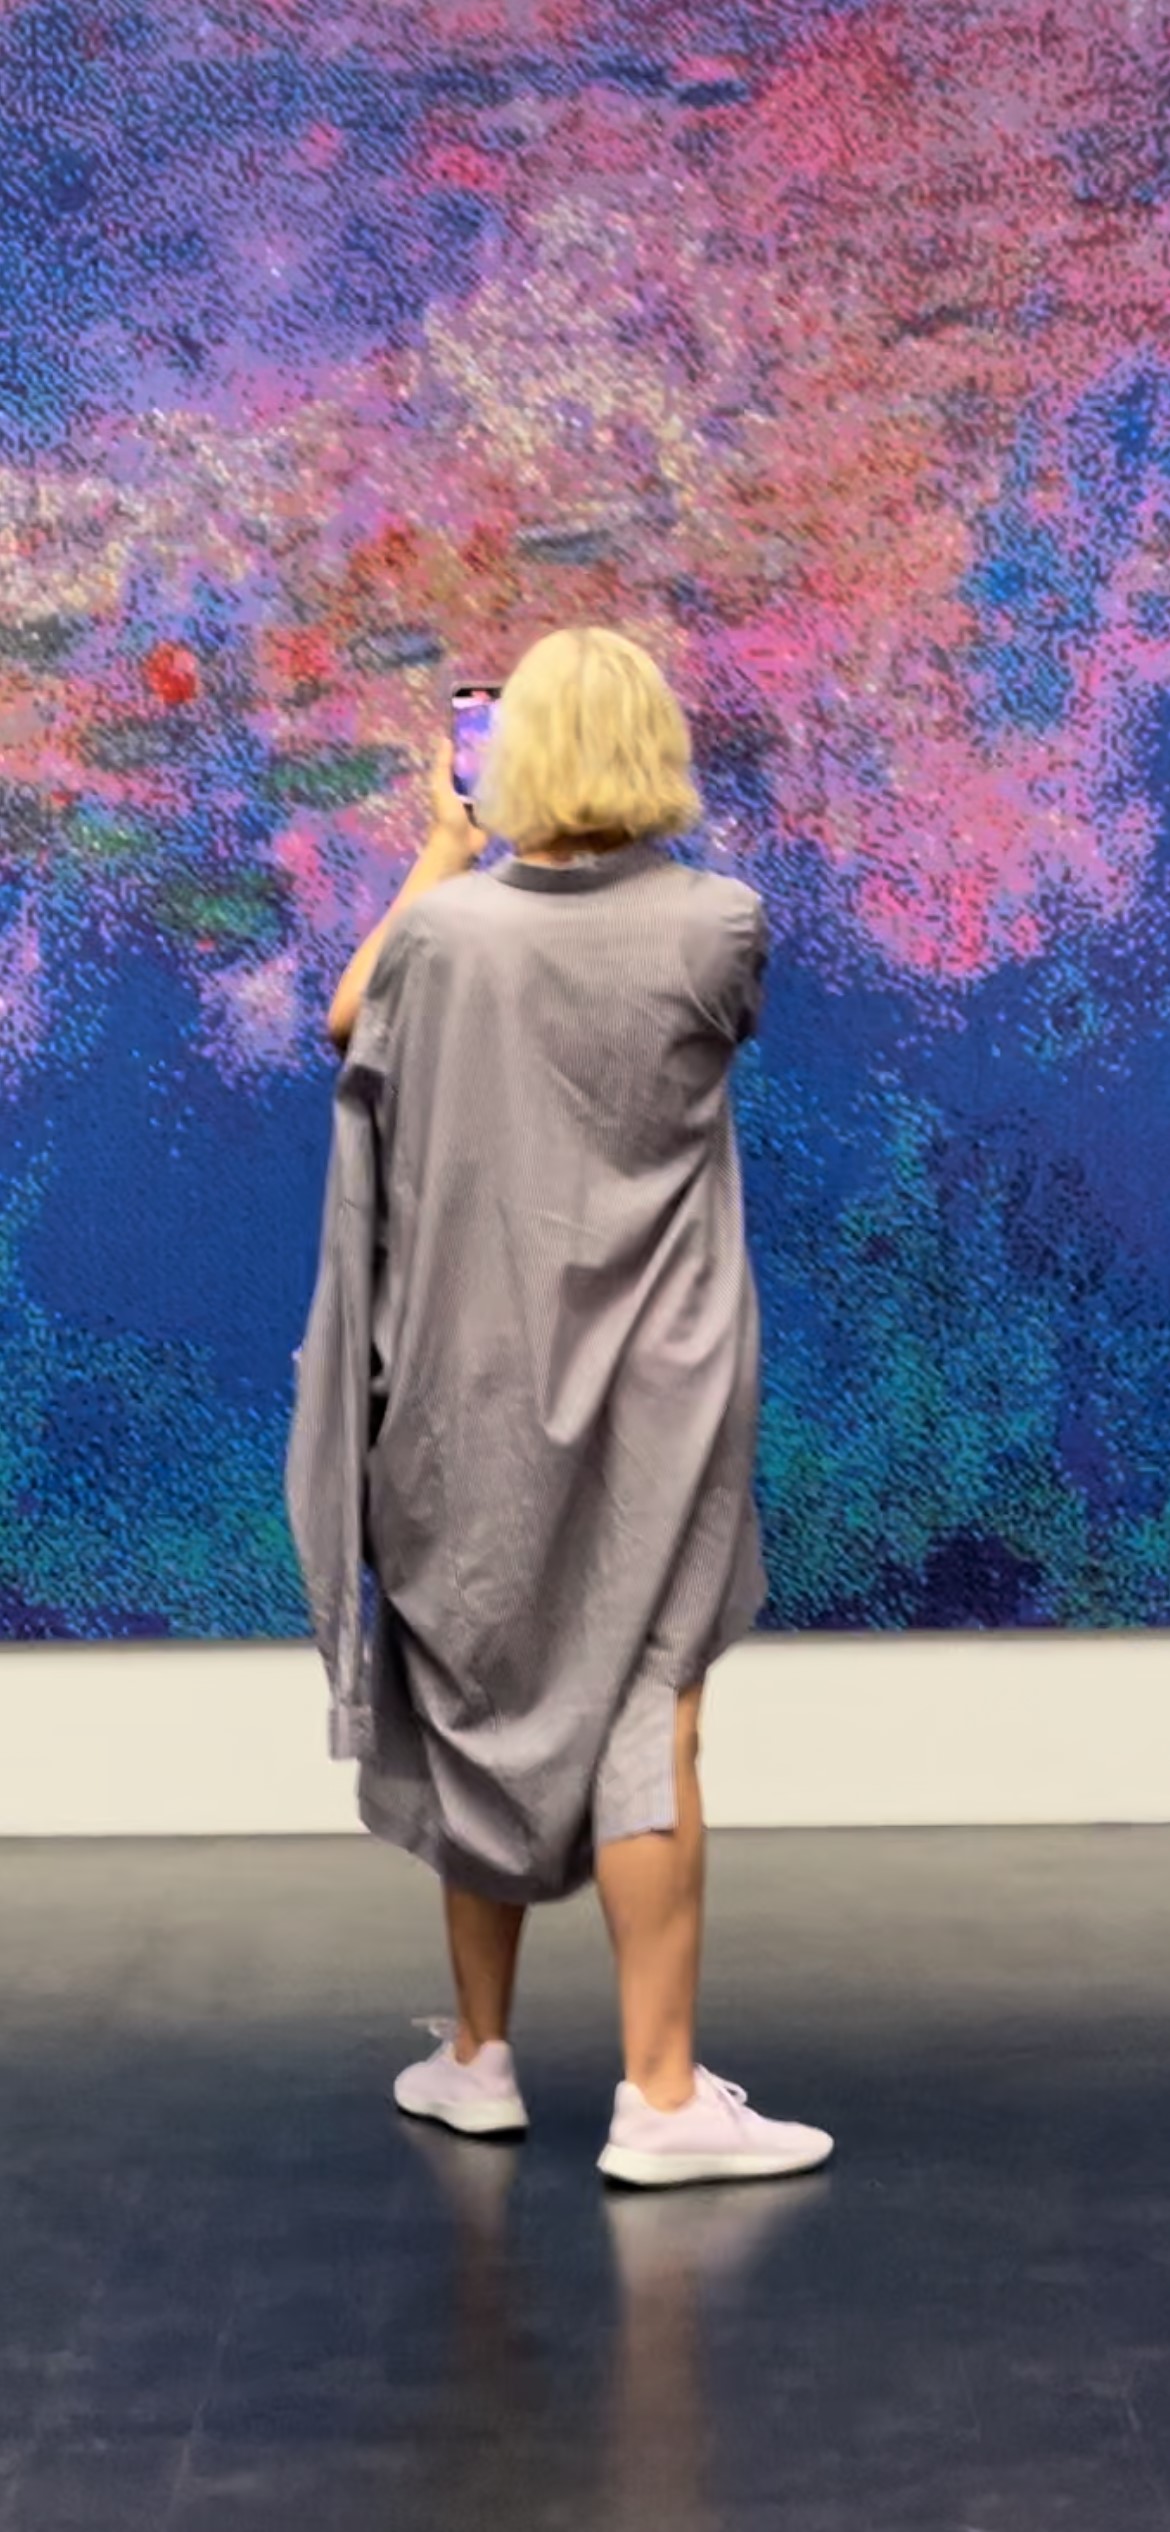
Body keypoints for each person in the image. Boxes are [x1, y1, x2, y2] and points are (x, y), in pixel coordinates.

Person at [288, 626, 834, 2188]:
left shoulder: (444, 938)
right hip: (663, 1382)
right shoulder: (718, 926)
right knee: (651, 1707)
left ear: (505, 756)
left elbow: (348, 1021)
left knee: (475, 1687)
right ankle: (659, 2099)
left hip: (465, 1380)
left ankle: (478, 2059)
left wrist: (443, 847)